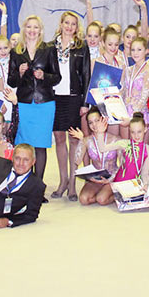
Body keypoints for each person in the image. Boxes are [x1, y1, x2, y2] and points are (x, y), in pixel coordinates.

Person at [8, 15, 60, 183]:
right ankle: (22, 184)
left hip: (44, 104)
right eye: (29, 27)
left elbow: (57, 77)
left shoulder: (49, 49)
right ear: (24, 29)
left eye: (35, 27)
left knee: (40, 146)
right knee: (23, 146)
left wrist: (44, 75)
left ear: (40, 30)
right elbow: (11, 81)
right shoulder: (16, 51)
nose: (32, 30)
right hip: (24, 104)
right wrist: (19, 73)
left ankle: (37, 186)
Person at [50, 10, 90, 200]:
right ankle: (63, 181)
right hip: (55, 98)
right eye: (66, 23)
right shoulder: (50, 47)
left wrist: (84, 102)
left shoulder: (81, 47)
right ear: (61, 24)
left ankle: (73, 184)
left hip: (74, 97)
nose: (69, 26)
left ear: (76, 27)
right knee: (59, 139)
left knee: (74, 140)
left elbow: (86, 75)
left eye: (73, 24)